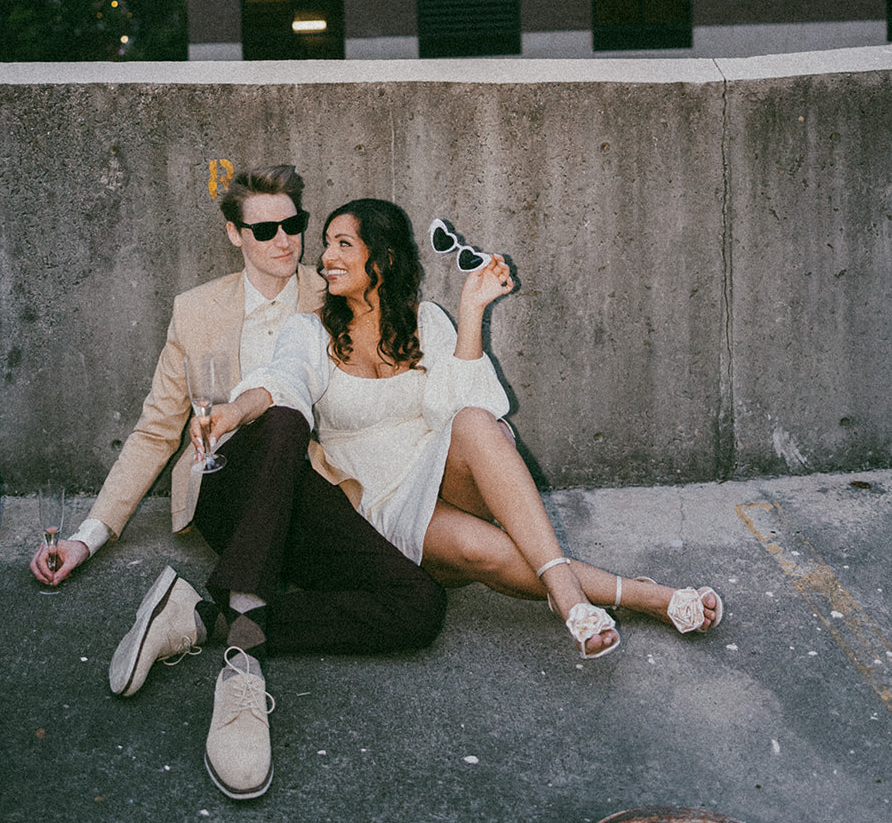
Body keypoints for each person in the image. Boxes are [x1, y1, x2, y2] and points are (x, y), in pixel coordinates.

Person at [30, 167, 446, 802]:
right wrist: (88, 537)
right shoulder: (196, 312)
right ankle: (243, 667)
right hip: (224, 486)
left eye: (295, 225)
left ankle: (204, 618)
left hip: (311, 496)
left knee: (420, 607)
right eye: (266, 229)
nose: (287, 241)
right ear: (234, 234)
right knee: (278, 418)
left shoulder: (335, 289)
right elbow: (153, 432)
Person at [209, 198, 723, 662]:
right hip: (381, 494)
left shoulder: (426, 320)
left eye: (343, 244)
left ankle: (567, 597)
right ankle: (648, 596)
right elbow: (285, 381)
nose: (326, 258)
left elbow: (457, 409)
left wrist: (471, 310)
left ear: (383, 259)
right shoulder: (309, 329)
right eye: (326, 246)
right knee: (489, 551)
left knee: (475, 421)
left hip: (439, 460)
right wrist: (238, 410)